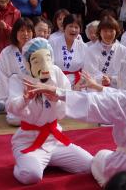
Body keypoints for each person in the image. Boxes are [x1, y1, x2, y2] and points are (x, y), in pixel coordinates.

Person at [26, 53, 126, 189]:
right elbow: (120, 95)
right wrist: (97, 86)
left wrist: (55, 91)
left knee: (99, 157)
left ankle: (109, 183)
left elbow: (92, 101)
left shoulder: (124, 99)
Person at [6, 37, 93, 185]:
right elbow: (12, 108)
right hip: (29, 141)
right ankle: (24, 163)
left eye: (47, 58)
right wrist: (25, 99)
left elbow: (66, 106)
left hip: (54, 139)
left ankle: (49, 161)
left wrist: (56, 98)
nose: (43, 64)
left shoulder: (57, 73)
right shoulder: (19, 79)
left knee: (90, 165)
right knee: (31, 176)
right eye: (36, 60)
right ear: (27, 63)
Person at [0, 17, 35, 125]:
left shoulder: (38, 51)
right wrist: (3, 100)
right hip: (15, 93)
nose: (25, 34)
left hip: (34, 91)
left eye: (29, 30)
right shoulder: (6, 52)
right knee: (14, 120)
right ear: (15, 33)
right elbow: (3, 77)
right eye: (21, 30)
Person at [84, 16, 126, 88]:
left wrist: (111, 79)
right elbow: (90, 72)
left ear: (116, 31)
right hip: (97, 87)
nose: (108, 34)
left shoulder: (123, 50)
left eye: (111, 31)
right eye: (105, 31)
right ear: (99, 32)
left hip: (117, 88)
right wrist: (102, 79)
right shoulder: (91, 50)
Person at [49, 14, 87, 89]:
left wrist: (78, 85)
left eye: (76, 27)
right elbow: (49, 66)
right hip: (56, 83)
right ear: (64, 27)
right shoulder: (52, 43)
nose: (73, 30)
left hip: (77, 84)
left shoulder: (84, 47)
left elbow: (86, 71)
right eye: (70, 26)